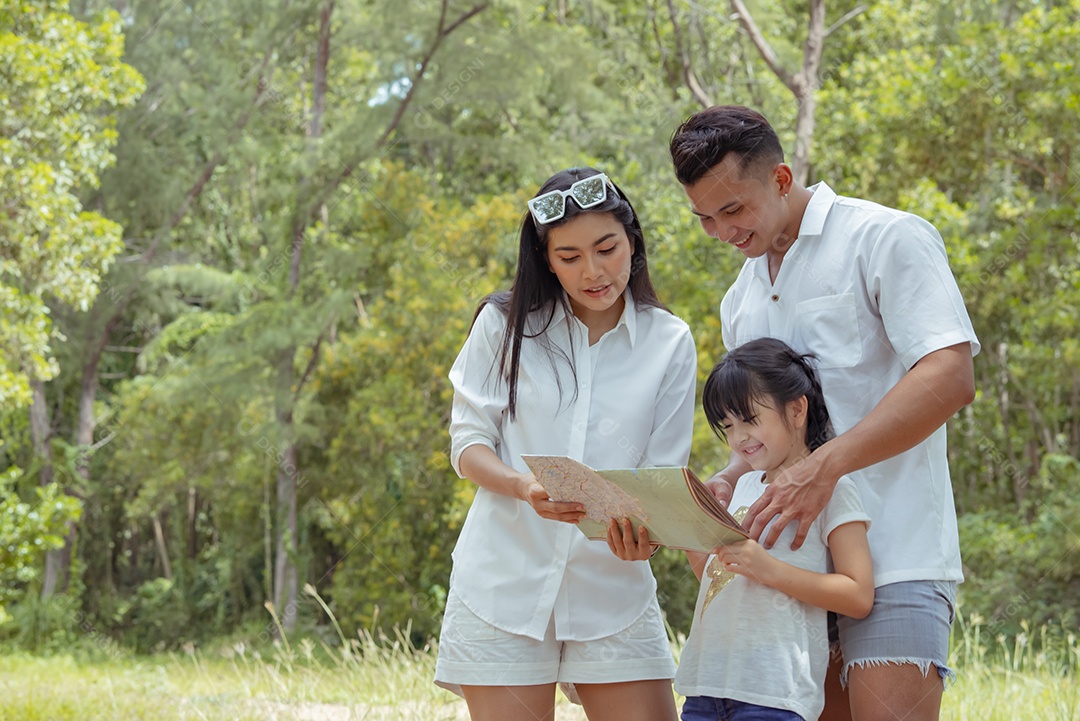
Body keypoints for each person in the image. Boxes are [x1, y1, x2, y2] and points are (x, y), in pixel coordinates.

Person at [668, 106, 980, 721]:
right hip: (788, 572)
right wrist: (730, 477)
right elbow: (762, 429)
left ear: (781, 180)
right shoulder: (741, 299)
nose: (721, 231)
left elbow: (950, 376)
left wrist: (825, 469)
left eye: (733, 210)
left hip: (896, 552)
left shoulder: (886, 237)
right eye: (704, 217)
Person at [434, 167, 697, 721]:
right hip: (503, 582)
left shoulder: (669, 341)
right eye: (570, 256)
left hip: (613, 589)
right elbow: (468, 442)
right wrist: (521, 485)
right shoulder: (502, 324)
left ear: (633, 242)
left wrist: (645, 541)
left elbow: (661, 475)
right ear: (547, 260)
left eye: (607, 248)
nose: (594, 271)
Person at [672, 338, 872, 721]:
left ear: (796, 409)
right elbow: (718, 582)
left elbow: (859, 593)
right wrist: (687, 533)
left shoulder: (831, 489)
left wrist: (769, 570)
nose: (738, 437)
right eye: (728, 426)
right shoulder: (739, 488)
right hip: (704, 687)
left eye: (749, 420)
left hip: (775, 694)